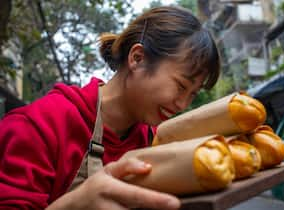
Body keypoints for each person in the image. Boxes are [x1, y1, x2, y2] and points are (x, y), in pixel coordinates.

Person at [0, 6, 220, 210]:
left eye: (192, 94)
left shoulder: (154, 141)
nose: (182, 105)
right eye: (180, 86)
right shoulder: (38, 126)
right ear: (137, 58)